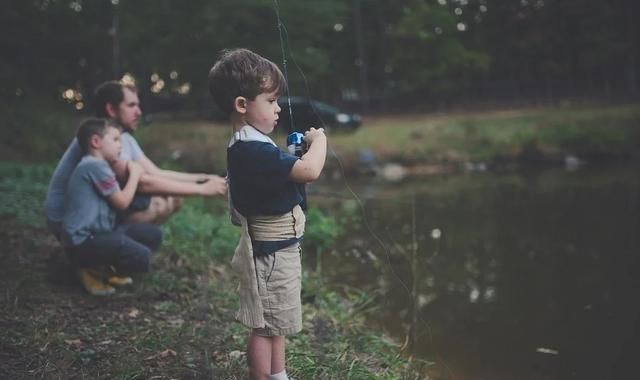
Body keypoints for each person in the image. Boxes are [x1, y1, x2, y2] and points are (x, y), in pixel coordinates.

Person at [208, 48, 327, 380]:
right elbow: (308, 171)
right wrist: (320, 142)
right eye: (271, 101)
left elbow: (283, 176)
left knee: (276, 323)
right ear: (243, 105)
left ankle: (279, 375)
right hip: (271, 254)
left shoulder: (255, 144)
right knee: (265, 326)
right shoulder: (251, 149)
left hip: (279, 250)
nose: (278, 109)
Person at [45, 80, 227, 240]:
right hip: (67, 221)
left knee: (172, 198)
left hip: (94, 211)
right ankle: (103, 257)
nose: (139, 112)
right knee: (157, 203)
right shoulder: (101, 141)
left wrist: (204, 177)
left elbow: (156, 173)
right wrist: (202, 189)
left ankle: (121, 251)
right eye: (131, 105)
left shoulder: (123, 138)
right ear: (111, 109)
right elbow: (143, 183)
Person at [62, 118, 162, 296]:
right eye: (115, 140)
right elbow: (122, 202)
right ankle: (90, 270)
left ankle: (106, 269)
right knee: (142, 256)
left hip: (100, 235)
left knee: (153, 234)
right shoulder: (93, 166)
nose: (120, 146)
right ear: (96, 142)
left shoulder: (100, 166)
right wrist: (136, 174)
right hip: (83, 243)